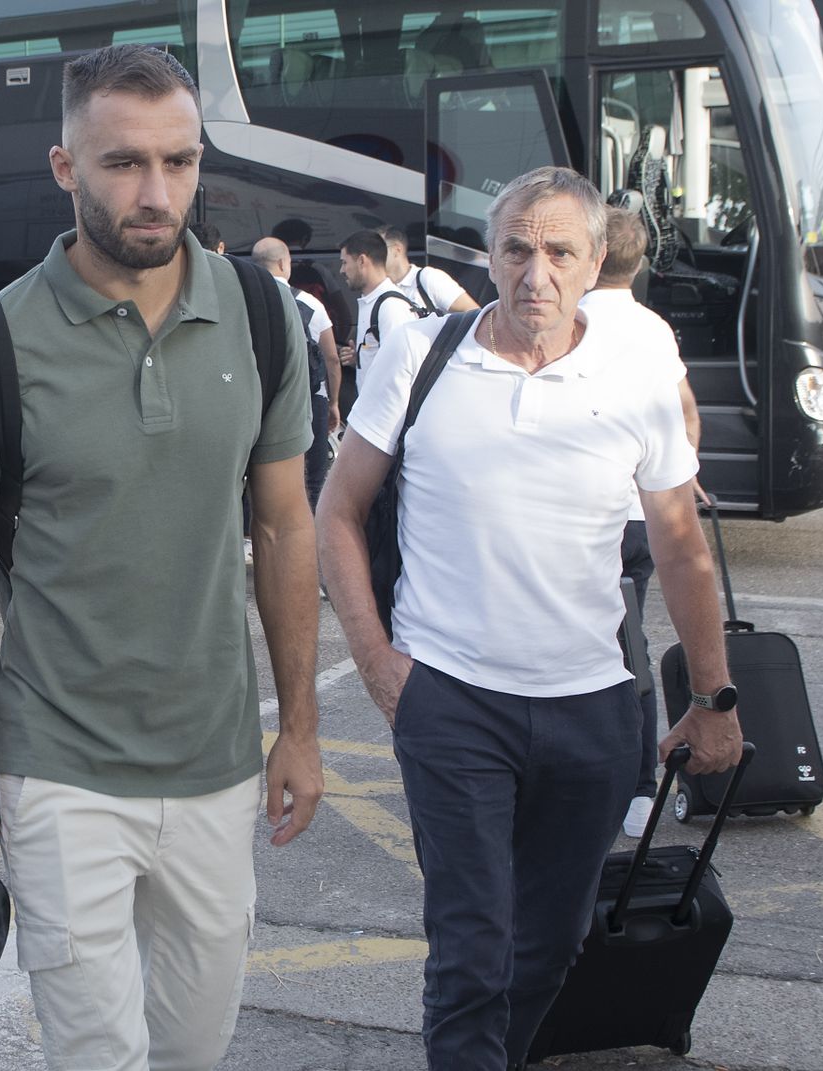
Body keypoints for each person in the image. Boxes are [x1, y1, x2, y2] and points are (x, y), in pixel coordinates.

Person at [0, 44, 323, 1071]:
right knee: (96, 1055)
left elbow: (282, 528)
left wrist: (302, 732)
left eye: (178, 163)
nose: (156, 193)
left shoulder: (262, 315)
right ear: (65, 168)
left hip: (218, 761)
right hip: (57, 769)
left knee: (194, 1047)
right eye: (122, 164)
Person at [315, 166, 743, 1070]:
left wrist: (713, 696)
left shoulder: (635, 374)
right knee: (472, 953)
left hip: (593, 711)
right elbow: (338, 513)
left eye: (558, 252)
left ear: (595, 266)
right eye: (516, 248)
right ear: (491, 254)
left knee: (549, 947)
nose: (534, 272)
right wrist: (378, 663)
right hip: (453, 704)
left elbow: (679, 547)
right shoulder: (422, 353)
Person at [579, 206, 707, 838]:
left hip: (591, 515)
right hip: (643, 521)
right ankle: (635, 785)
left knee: (583, 649)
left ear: (593, 253)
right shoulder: (654, 327)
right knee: (629, 646)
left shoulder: (570, 321)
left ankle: (625, 785)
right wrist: (677, 474)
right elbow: (686, 414)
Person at [253, 235, 341, 507]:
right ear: (282, 262)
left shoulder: (247, 302)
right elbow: (332, 359)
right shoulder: (310, 304)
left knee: (258, 476)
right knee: (313, 479)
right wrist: (334, 403)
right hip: (309, 398)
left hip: (260, 398)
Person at [337, 228, 415, 394]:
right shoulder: (373, 302)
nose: (341, 270)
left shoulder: (391, 307)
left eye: (344, 262)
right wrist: (360, 357)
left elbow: (398, 373)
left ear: (362, 261)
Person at [382, 225, 479, 315]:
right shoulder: (378, 288)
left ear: (396, 249)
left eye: (379, 249)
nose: (373, 255)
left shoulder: (429, 277)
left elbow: (474, 314)